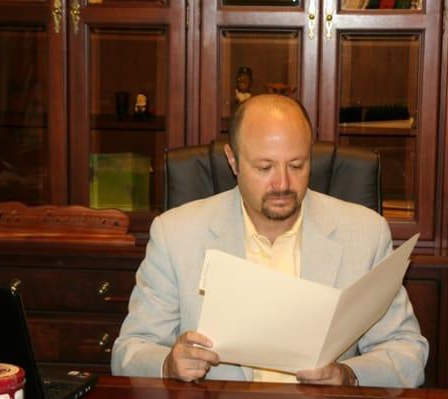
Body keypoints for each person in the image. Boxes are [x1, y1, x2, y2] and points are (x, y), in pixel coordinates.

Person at [111, 94, 428, 387]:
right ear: (233, 161)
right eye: (265, 167)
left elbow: (407, 352)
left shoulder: (366, 234)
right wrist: (168, 364)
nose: (283, 184)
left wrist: (349, 375)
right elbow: (128, 352)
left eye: (297, 165)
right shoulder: (176, 234)